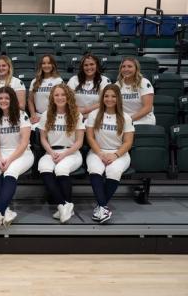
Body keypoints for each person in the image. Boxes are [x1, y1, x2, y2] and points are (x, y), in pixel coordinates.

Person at [0, 86, 34, 229]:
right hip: (0, 152)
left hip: (21, 153)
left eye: (7, 98)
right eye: (0, 98)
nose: (3, 101)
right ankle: (6, 211)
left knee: (11, 171)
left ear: (12, 100)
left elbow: (24, 143)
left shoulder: (22, 115)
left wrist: (9, 160)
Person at [86, 84, 134, 223]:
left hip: (119, 153)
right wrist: (100, 153)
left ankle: (101, 207)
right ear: (102, 98)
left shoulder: (126, 117)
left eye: (113, 96)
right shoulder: (94, 115)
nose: (109, 99)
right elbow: (90, 137)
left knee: (114, 171)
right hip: (97, 151)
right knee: (95, 170)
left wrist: (115, 155)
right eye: (106, 96)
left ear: (118, 98)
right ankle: (103, 207)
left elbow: (128, 142)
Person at [37, 84, 85, 224]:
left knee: (60, 169)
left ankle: (65, 206)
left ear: (68, 96)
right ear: (52, 97)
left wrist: (64, 154)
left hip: (71, 152)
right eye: (56, 95)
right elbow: (43, 138)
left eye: (63, 94)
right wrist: (51, 152)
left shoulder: (76, 114)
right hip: (52, 151)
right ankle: (64, 205)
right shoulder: (46, 114)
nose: (60, 97)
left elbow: (79, 142)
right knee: (43, 167)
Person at [67, 54, 110, 118]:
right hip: (76, 116)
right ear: (82, 67)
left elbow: (104, 101)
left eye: (92, 64)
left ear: (97, 66)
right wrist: (79, 112)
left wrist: (85, 111)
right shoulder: (74, 79)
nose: (89, 67)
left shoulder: (104, 80)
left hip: (97, 117)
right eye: (86, 65)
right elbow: (68, 100)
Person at [115, 57, 155, 125]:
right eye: (123, 67)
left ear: (136, 69)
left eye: (130, 66)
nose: (126, 69)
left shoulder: (144, 83)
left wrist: (129, 120)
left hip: (144, 120)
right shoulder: (117, 85)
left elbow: (148, 108)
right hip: (124, 121)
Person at [27, 54, 63, 125]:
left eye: (49, 63)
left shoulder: (58, 80)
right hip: (38, 116)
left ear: (53, 65)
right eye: (43, 63)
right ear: (40, 65)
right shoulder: (34, 81)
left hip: (54, 116)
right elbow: (30, 100)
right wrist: (33, 114)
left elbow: (62, 100)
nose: (46, 65)